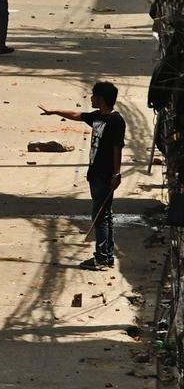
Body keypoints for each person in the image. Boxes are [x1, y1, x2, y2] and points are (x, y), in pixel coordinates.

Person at [39, 82, 125, 270]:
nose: (91, 98)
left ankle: (102, 257)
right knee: (104, 214)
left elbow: (117, 148)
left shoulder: (115, 121)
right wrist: (54, 111)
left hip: (105, 175)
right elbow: (77, 115)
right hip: (95, 174)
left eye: (94, 96)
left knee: (100, 215)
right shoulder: (97, 117)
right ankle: (106, 255)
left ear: (101, 99)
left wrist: (116, 173)